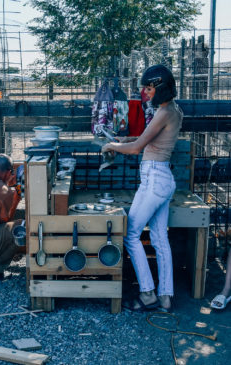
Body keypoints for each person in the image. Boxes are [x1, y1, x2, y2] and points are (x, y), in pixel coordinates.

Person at [102, 64, 183, 312]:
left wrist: (112, 147)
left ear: (160, 88)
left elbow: (138, 149)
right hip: (163, 179)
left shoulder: (162, 113)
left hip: (154, 179)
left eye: (148, 88)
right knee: (160, 238)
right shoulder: (173, 111)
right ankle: (166, 297)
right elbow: (147, 140)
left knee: (131, 234)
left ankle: (148, 294)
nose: (145, 92)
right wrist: (124, 140)